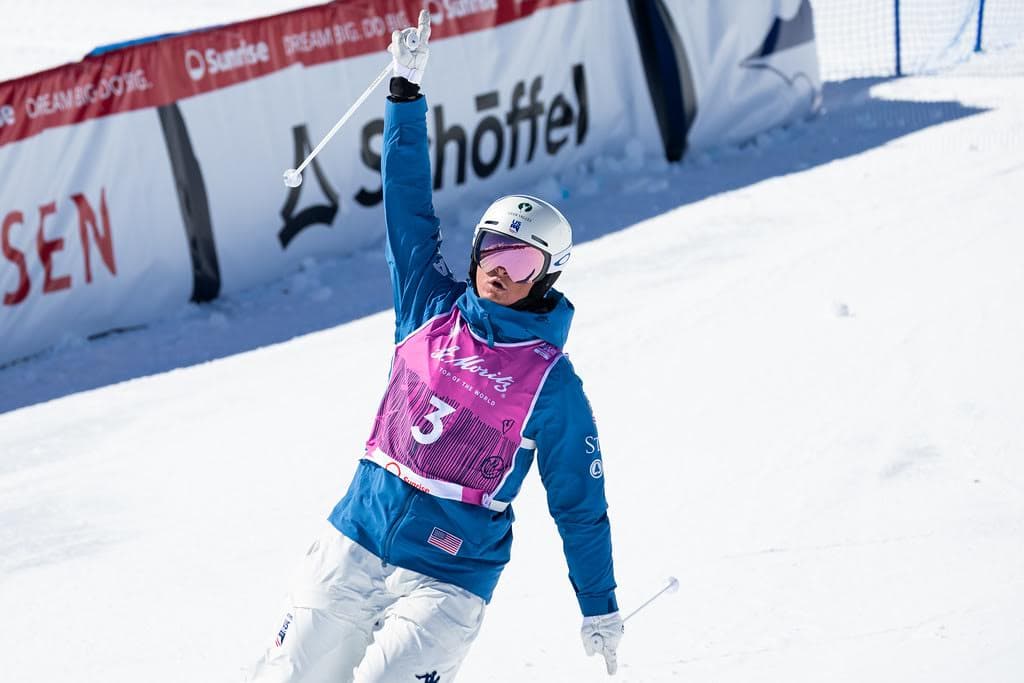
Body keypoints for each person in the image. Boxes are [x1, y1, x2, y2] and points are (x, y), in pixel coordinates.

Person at [247, 11, 621, 682]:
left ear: (546, 279)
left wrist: (599, 604)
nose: (501, 269)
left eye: (523, 262)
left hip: (447, 579)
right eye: (493, 250)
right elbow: (406, 203)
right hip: (356, 538)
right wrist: (404, 93)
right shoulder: (428, 304)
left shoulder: (551, 384)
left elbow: (579, 501)